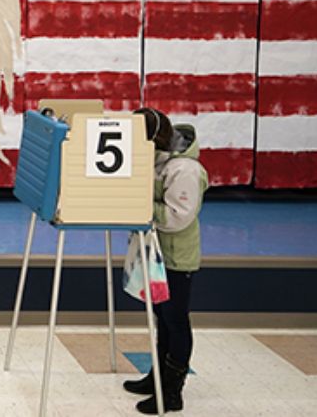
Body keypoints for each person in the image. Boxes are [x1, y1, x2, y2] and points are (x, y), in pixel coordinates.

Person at [124, 107, 207, 415]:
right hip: (157, 252)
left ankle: (173, 392)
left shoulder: (184, 169)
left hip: (176, 256)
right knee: (162, 317)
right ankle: (157, 378)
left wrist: (141, 206)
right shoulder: (159, 160)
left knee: (175, 319)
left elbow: (177, 217)